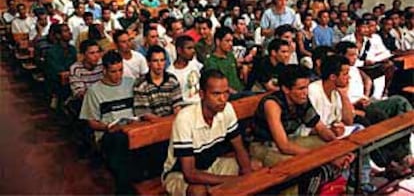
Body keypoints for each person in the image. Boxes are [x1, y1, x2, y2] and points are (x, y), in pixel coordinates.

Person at [250, 65, 353, 195]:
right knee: (293, 168)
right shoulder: (272, 104)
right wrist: (327, 158)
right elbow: (284, 146)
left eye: (306, 87)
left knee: (326, 144)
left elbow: (321, 128)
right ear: (286, 89)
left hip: (288, 141)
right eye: (301, 88)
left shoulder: (301, 100)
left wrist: (338, 149)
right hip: (264, 147)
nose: (305, 92)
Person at [162, 69, 253, 196]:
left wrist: (248, 178)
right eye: (216, 94)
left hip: (212, 164)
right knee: (199, 192)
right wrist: (232, 181)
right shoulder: (185, 118)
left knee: (255, 166)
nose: (222, 99)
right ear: (202, 94)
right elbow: (189, 173)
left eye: (226, 93)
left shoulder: (227, 109)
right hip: (179, 173)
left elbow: (239, 148)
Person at [336, 41, 414, 175]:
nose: (355, 58)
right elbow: (340, 101)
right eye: (351, 55)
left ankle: (405, 154)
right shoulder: (338, 72)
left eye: (356, 55)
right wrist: (356, 104)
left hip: (366, 102)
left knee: (399, 101)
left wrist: (366, 94)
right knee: (377, 117)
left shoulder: (354, 69)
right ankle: (391, 161)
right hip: (353, 108)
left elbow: (367, 79)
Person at [79, 50, 136, 194]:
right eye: (113, 71)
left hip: (132, 129)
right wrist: (107, 127)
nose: (118, 75)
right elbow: (91, 122)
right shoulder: (94, 91)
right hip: (108, 134)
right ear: (104, 70)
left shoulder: (131, 83)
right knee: (120, 144)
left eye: (121, 70)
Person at [134, 45, 183, 120]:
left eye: (162, 60)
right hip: (151, 125)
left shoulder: (172, 80)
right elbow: (144, 113)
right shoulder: (141, 84)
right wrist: (163, 122)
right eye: (155, 61)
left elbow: (178, 105)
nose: (159, 64)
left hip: (172, 120)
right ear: (148, 63)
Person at [204, 27, 244, 95]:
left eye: (231, 41)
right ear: (218, 42)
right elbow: (216, 84)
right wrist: (236, 93)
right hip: (227, 95)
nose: (231, 44)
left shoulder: (230, 55)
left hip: (240, 90)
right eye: (227, 41)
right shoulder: (211, 62)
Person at [167, 35, 203, 106]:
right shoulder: (171, 72)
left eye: (193, 48)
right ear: (179, 50)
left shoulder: (195, 64)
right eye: (189, 48)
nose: (193, 51)